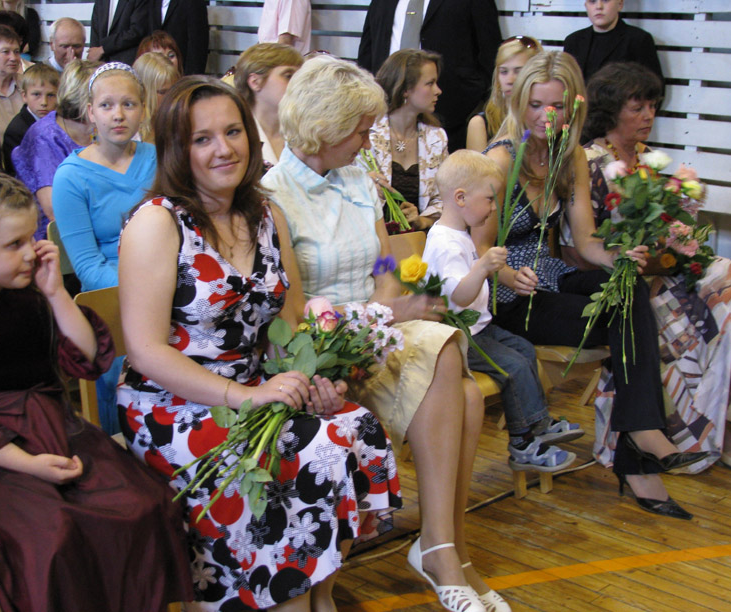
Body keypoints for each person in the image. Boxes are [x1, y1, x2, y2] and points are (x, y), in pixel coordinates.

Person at [116, 76, 401, 611]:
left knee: (350, 428)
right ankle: (280, 599)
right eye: (202, 139)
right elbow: (146, 351)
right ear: (177, 148)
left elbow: (287, 322)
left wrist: (308, 379)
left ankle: (317, 596)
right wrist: (243, 395)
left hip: (254, 386)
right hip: (174, 402)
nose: (223, 149)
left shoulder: (266, 214)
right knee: (283, 458)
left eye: (232, 132)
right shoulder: (158, 222)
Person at [263, 54, 501, 612]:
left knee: (465, 391)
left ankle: (447, 547)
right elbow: (293, 316)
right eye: (360, 129)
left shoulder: (357, 179)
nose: (368, 140)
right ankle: (443, 552)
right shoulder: (274, 196)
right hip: (319, 346)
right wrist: (391, 314)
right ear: (324, 127)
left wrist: (390, 307)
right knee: (451, 364)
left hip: (374, 326)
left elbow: (385, 266)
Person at [0, 170, 194, 612]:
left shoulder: (31, 296)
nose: (30, 253)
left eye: (31, 237)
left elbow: (88, 360)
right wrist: (30, 465)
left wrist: (55, 294)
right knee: (53, 537)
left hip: (58, 430)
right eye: (13, 244)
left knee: (146, 504)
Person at [475, 50, 708, 520]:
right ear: (519, 103)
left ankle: (639, 438)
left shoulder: (570, 154)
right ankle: (640, 446)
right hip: (507, 292)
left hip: (550, 275)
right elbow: (476, 252)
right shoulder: (498, 160)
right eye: (536, 105)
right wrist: (507, 274)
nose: (545, 116)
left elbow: (586, 240)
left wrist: (619, 255)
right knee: (626, 321)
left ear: (574, 107)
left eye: (556, 106)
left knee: (627, 285)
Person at [561, 62, 731, 473]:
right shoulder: (588, 161)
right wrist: (632, 258)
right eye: (637, 107)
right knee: (694, 312)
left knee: (726, 271)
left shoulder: (648, 158)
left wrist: (678, 232)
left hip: (654, 270)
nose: (648, 116)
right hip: (607, 276)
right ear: (611, 110)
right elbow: (574, 250)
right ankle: (726, 423)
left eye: (652, 106)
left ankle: (727, 415)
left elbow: (665, 228)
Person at [424, 148, 584, 474]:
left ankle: (538, 423)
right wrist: (483, 267)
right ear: (461, 198)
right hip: (457, 335)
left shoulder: (459, 235)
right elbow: (460, 295)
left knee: (524, 350)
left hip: (478, 327)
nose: (494, 208)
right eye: (489, 199)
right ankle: (523, 443)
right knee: (512, 366)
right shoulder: (444, 243)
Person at [52, 62, 154, 433]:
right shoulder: (70, 177)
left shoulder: (159, 158)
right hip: (112, 297)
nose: (118, 114)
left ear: (143, 109)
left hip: (170, 280)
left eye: (129, 104)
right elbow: (88, 267)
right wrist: (149, 293)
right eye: (107, 105)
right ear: (90, 112)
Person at [357, 0, 501, 152]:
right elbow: (368, 54)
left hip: (453, 118)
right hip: (384, 117)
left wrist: (472, 95)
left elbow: (490, 52)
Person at [13, 59, 99, 241]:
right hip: (55, 238)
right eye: (106, 101)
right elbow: (54, 210)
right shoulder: (44, 136)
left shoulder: (99, 130)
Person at [366, 49, 446, 233]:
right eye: (430, 83)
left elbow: (444, 198)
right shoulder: (367, 134)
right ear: (405, 90)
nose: (438, 91)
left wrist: (422, 220)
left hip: (416, 240)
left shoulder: (437, 138)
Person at [563, 0, 663, 90]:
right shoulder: (573, 41)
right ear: (586, 6)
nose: (599, 6)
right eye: (592, 1)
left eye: (606, 0)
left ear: (620, 4)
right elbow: (566, 86)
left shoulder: (638, 39)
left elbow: (654, 88)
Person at [466, 35, 542, 152]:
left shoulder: (544, 121)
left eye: (518, 71)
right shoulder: (480, 124)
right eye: (504, 71)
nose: (510, 80)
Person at [233, 42, 303, 166]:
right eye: (288, 76)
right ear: (255, 82)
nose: (298, 83)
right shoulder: (236, 137)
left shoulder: (306, 133)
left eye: (300, 77)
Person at [2, 62, 59, 175]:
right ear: (24, 96)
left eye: (51, 95)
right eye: (37, 94)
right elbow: (16, 173)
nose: (44, 102)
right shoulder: (17, 131)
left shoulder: (60, 122)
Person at [147, 0, 208, 75]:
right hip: (156, 73)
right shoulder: (152, 2)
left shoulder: (193, 3)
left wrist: (191, 79)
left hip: (182, 72)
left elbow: (197, 47)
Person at [132, 51, 179, 144]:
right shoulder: (130, 134)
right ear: (144, 92)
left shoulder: (178, 124)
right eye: (162, 92)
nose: (171, 97)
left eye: (174, 90)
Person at [88, 0, 150, 65]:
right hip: (101, 63)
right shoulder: (100, 2)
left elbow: (135, 32)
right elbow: (95, 29)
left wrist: (104, 49)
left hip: (125, 63)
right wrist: (94, 57)